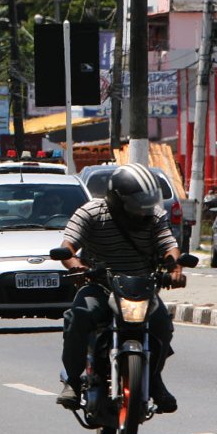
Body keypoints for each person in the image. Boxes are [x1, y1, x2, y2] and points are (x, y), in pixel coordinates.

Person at [56, 163, 183, 414]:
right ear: (117, 199)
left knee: (161, 324)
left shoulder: (154, 215)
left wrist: (175, 269)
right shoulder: (91, 212)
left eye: (146, 205)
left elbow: (169, 246)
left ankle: (154, 379)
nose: (143, 213)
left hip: (141, 288)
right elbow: (68, 247)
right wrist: (76, 265)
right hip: (99, 286)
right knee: (79, 316)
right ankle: (71, 380)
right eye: (137, 206)